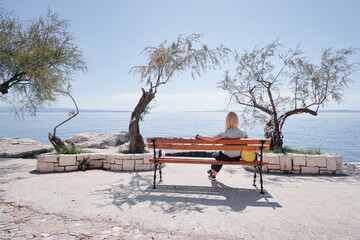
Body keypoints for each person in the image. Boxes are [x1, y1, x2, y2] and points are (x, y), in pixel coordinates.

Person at [195, 111, 248, 181]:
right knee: (220, 157)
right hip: (237, 158)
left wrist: (199, 136)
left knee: (216, 155)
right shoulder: (243, 132)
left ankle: (212, 172)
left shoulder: (226, 133)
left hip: (226, 157)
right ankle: (212, 173)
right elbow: (247, 143)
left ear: (227, 121)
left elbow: (212, 139)